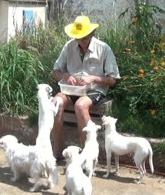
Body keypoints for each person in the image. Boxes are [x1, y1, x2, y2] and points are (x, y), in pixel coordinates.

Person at [50, 15, 120, 159]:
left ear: (91, 34)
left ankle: (87, 155)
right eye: (78, 38)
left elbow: (112, 80)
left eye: (83, 38)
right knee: (56, 103)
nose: (80, 41)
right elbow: (55, 72)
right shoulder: (69, 46)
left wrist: (92, 78)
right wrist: (65, 76)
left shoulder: (104, 48)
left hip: (95, 89)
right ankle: (57, 152)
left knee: (81, 106)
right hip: (71, 89)